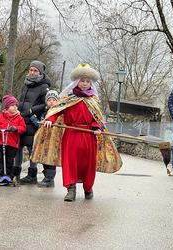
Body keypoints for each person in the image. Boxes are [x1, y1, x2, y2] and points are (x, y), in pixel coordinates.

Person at [31, 63, 122, 201]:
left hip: (89, 137)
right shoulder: (69, 99)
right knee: (70, 163)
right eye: (82, 81)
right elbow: (56, 110)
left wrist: (96, 127)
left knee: (87, 165)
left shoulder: (93, 101)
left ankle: (88, 188)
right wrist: (50, 119)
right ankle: (71, 189)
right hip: (71, 135)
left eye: (87, 81)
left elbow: (96, 118)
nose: (85, 84)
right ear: (76, 82)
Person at [14, 60, 51, 184]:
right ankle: (15, 174)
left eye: (35, 70)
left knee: (31, 149)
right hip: (20, 120)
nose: (32, 72)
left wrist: (31, 110)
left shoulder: (44, 87)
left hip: (33, 121)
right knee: (18, 147)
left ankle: (32, 175)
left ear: (40, 72)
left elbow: (46, 104)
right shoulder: (25, 84)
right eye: (31, 70)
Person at [0, 95, 26, 182]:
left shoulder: (19, 118)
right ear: (7, 107)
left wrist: (16, 128)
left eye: (16, 106)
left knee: (9, 160)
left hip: (12, 144)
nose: (15, 107)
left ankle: (9, 176)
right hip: (0, 142)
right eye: (13, 105)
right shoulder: (0, 116)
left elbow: (23, 128)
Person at [30, 90, 59, 187]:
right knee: (44, 158)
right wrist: (36, 121)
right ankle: (47, 177)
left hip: (53, 140)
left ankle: (49, 179)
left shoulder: (58, 112)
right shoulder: (44, 112)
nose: (51, 101)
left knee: (51, 159)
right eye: (49, 100)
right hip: (44, 140)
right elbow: (41, 125)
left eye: (54, 100)